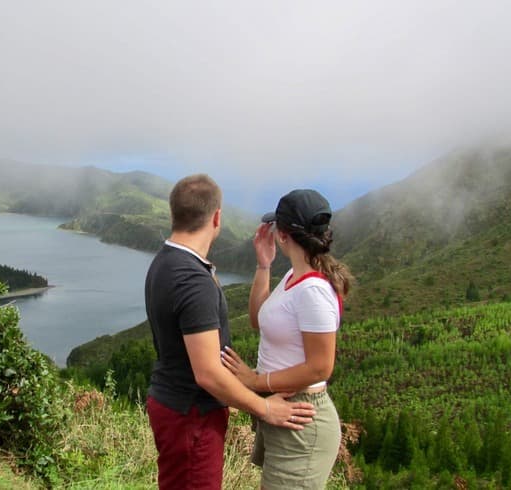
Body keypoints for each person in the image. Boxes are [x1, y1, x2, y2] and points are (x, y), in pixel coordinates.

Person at [145, 174, 317, 490]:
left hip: (172, 404)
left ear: (174, 214)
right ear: (217, 217)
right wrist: (265, 408)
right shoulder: (194, 282)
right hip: (192, 415)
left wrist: (263, 265)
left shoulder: (165, 261)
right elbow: (208, 374)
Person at [221, 188, 354, 490]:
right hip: (284, 411)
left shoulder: (313, 291)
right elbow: (259, 320)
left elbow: (321, 367)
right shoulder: (293, 278)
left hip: (302, 418)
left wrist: (255, 383)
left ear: (282, 235)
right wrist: (264, 265)